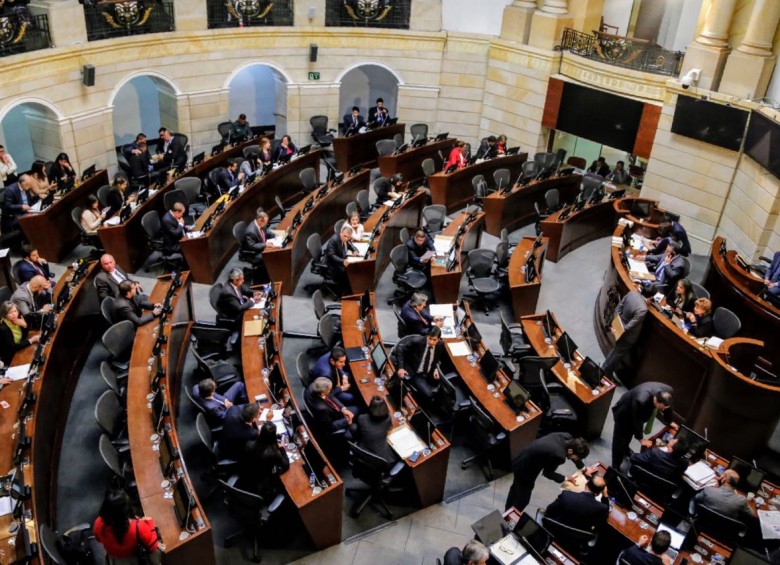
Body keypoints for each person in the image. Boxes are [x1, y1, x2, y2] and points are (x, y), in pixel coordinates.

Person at [504, 432, 590, 511]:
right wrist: (566, 478)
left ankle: (508, 510)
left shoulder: (567, 437)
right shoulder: (559, 455)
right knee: (523, 499)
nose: (575, 459)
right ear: (570, 451)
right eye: (577, 457)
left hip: (523, 456)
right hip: (525, 468)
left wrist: (584, 469)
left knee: (516, 489)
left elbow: (574, 454)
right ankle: (509, 518)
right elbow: (548, 473)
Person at [611, 382, 674, 470]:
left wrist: (670, 421)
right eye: (661, 408)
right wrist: (641, 439)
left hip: (640, 412)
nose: (663, 410)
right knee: (619, 439)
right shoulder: (641, 400)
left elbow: (667, 408)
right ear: (656, 400)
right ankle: (615, 466)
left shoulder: (668, 391)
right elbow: (636, 420)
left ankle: (625, 449)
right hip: (625, 413)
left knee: (629, 434)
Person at [94, 489, 161, 565]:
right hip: (133, 559)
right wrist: (150, 523)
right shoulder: (138, 527)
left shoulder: (98, 523)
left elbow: (98, 539)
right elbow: (153, 546)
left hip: (114, 559)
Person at [602, 288, 650, 379]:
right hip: (628, 335)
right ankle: (606, 373)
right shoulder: (643, 309)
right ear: (651, 297)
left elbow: (618, 308)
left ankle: (604, 368)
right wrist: (620, 329)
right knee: (617, 354)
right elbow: (631, 325)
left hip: (619, 328)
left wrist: (616, 325)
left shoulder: (632, 293)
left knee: (616, 350)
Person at [238, 421, 289, 497]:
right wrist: (282, 449)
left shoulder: (248, 443)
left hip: (248, 477)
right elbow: (286, 465)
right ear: (273, 436)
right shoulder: (273, 454)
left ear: (260, 432)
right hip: (264, 485)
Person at [393, 326, 444, 402]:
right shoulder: (417, 342)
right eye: (430, 338)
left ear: (438, 339)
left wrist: (436, 368)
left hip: (430, 371)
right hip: (416, 373)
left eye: (434, 340)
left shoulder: (440, 345)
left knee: (443, 387)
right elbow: (400, 349)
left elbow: (437, 357)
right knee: (429, 395)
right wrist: (401, 367)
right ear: (427, 336)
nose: (431, 342)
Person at [544, 475, 609, 533]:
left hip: (553, 530)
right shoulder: (602, 508)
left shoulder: (566, 495)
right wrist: (605, 497)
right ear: (598, 493)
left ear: (586, 484)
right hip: (575, 539)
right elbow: (601, 527)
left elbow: (549, 510)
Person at [357, 396, 396, 463]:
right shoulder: (387, 419)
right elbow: (390, 428)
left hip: (363, 451)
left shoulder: (361, 418)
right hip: (382, 457)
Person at [324, 224, 359, 296]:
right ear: (341, 233)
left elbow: (350, 244)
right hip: (331, 264)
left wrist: (355, 250)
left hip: (339, 260)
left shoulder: (346, 239)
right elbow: (332, 256)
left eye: (348, 237)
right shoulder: (333, 240)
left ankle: (353, 290)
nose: (346, 238)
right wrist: (342, 261)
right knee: (347, 271)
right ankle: (345, 294)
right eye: (344, 236)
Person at [241, 208, 272, 284]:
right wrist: (265, 244)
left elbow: (266, 231)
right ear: (259, 220)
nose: (266, 224)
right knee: (271, 255)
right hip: (254, 253)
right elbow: (252, 246)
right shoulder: (251, 231)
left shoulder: (260, 224)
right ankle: (266, 279)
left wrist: (276, 235)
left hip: (261, 245)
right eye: (265, 222)